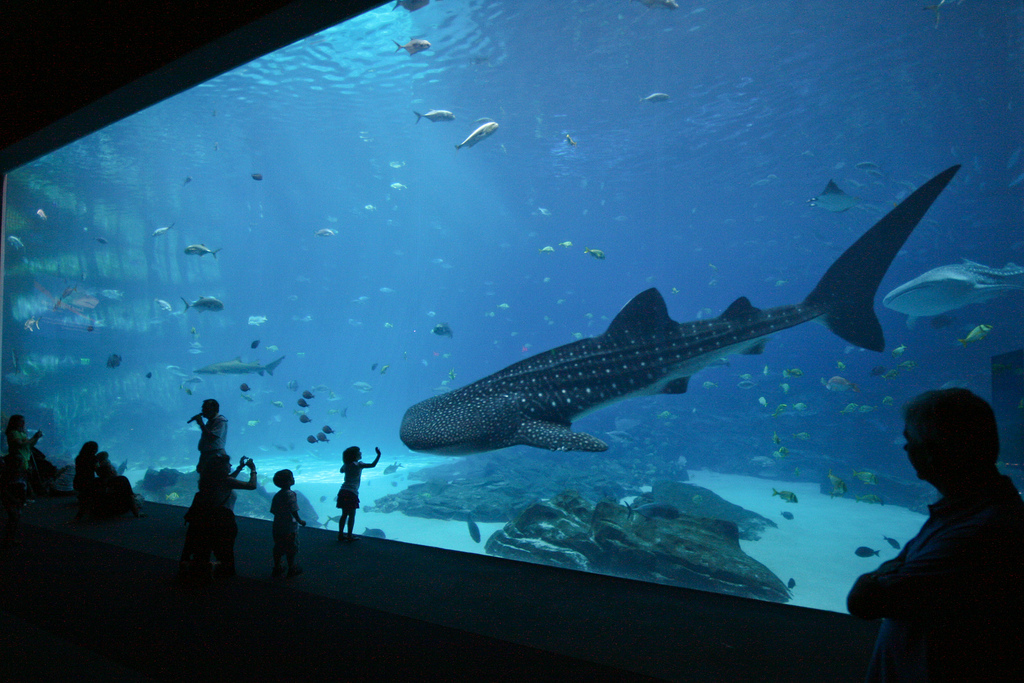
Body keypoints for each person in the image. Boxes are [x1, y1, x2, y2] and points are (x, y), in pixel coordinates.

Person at [847, 388, 1024, 681]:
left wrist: (880, 575)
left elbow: (865, 600)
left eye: (910, 440)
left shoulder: (982, 532)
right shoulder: (963, 510)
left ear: (936, 449)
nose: (906, 450)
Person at [179, 454, 256, 580]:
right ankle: (222, 576)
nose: (230, 465)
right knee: (225, 552)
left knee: (204, 548)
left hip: (205, 519)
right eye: (228, 464)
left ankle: (199, 574)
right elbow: (251, 486)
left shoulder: (207, 479)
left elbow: (228, 481)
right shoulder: (226, 481)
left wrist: (240, 468)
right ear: (220, 467)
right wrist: (253, 469)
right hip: (222, 521)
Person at [2, 415, 41, 547]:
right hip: (17, 461)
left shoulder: (21, 433)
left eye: (23, 420)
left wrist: (36, 438)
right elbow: (20, 444)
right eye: (21, 421)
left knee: (21, 483)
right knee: (14, 481)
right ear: (15, 422)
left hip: (24, 460)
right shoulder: (13, 433)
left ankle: (19, 500)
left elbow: (29, 446)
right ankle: (14, 501)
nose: (23, 422)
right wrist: (33, 438)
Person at [336, 445, 381, 542]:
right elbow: (373, 465)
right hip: (352, 493)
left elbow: (341, 470)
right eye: (359, 452)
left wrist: (346, 463)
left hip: (343, 491)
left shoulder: (346, 465)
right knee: (351, 515)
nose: (361, 453)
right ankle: (349, 536)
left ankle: (340, 534)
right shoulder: (359, 465)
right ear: (355, 456)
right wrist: (378, 455)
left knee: (344, 514)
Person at [270, 469, 306, 578]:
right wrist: (299, 520)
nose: (293, 479)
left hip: (277, 525)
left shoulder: (277, 495)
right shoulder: (291, 494)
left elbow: (273, 510)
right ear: (288, 482)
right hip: (289, 526)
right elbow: (293, 509)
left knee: (278, 546)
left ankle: (277, 567)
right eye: (291, 477)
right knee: (291, 547)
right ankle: (292, 568)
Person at [89, 451, 142, 518]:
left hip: (99, 510)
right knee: (140, 498)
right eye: (112, 467)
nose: (114, 468)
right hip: (117, 509)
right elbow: (130, 497)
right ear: (112, 471)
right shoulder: (122, 480)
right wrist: (137, 514)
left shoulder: (95, 481)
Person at [188, 399, 228, 475]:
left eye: (205, 408)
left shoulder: (220, 421)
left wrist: (201, 424)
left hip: (216, 455)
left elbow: (212, 438)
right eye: (203, 408)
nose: (203, 410)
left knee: (214, 479)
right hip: (207, 454)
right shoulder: (211, 421)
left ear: (213, 409)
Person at [73, 441, 100, 520]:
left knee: (84, 495)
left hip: (78, 481)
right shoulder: (94, 458)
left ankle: (83, 500)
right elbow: (98, 471)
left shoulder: (78, 457)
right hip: (89, 482)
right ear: (94, 450)